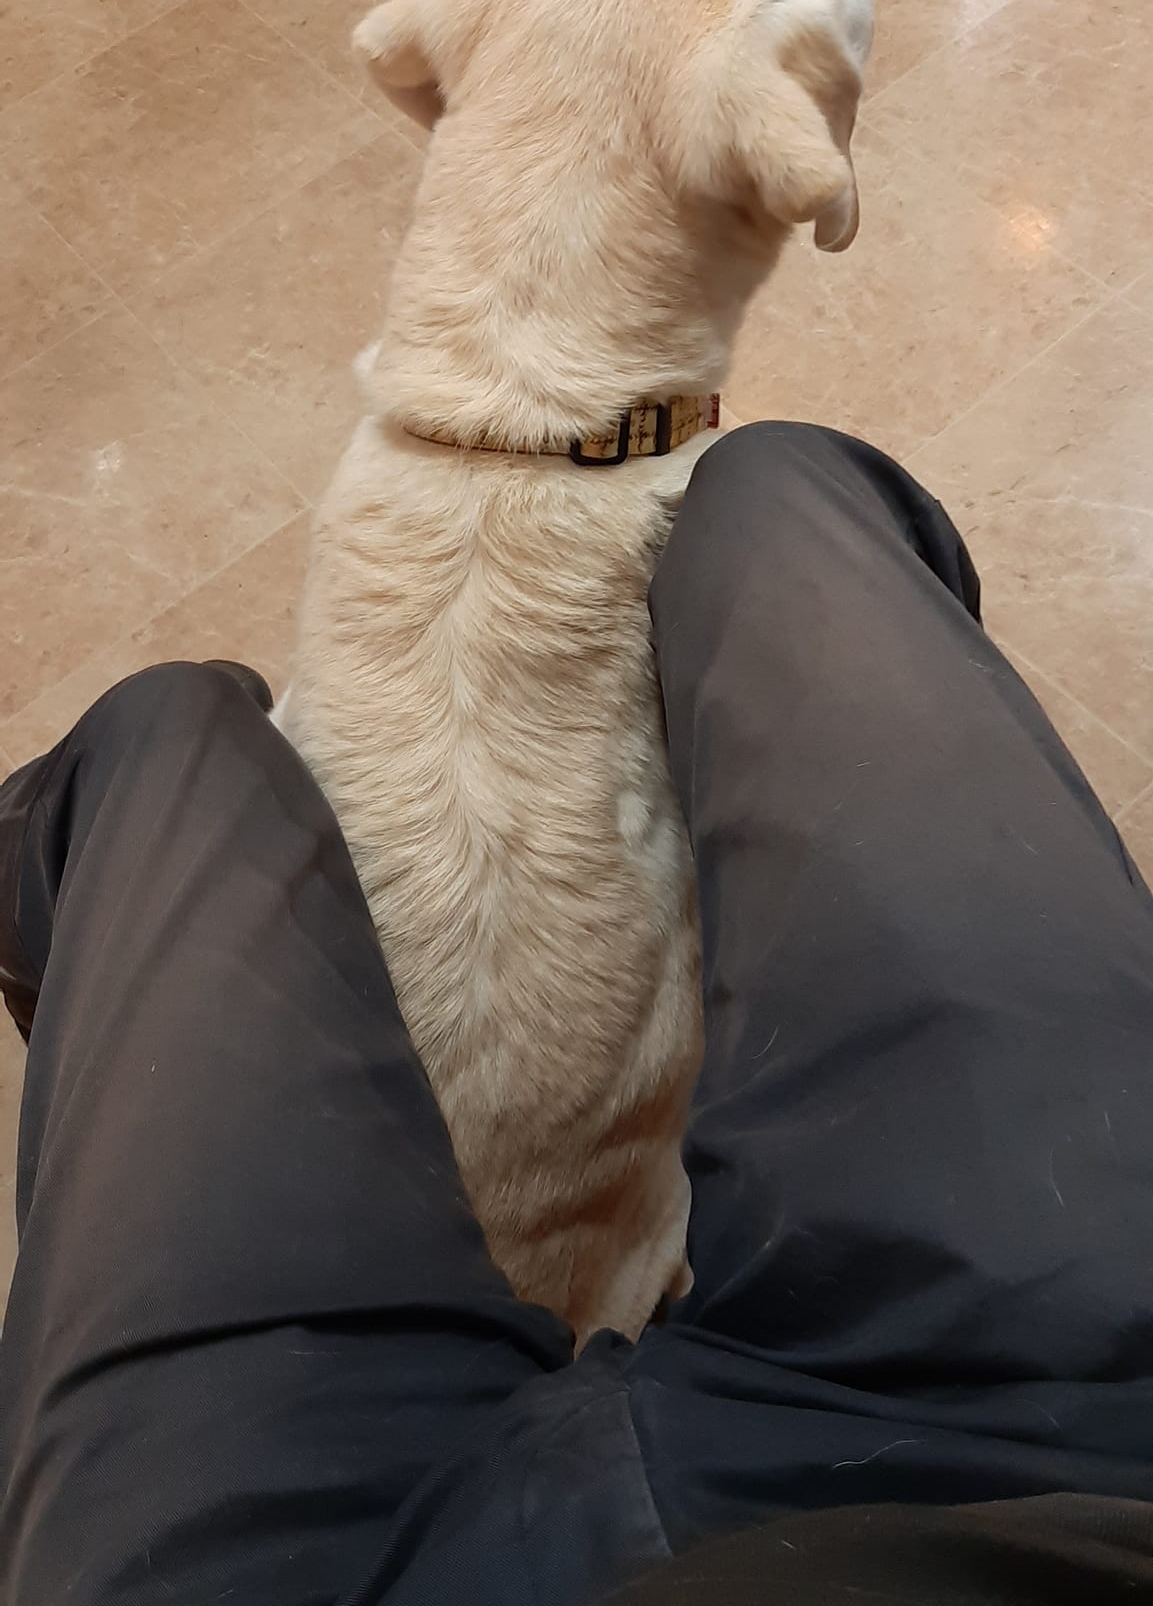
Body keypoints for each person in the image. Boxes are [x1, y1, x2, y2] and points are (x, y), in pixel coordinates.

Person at [2, 421, 1153, 1606]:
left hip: (292, 1582)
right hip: (1067, 1455)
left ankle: (78, 1026)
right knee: (781, 480)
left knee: (159, 731)